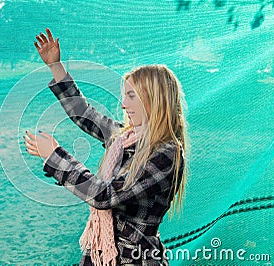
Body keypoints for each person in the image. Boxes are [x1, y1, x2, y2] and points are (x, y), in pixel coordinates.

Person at [24, 28, 188, 266]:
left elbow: (105, 196)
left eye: (132, 96)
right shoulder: (124, 137)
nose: (123, 104)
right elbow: (83, 113)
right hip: (100, 255)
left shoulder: (166, 155)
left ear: (154, 99)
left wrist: (55, 157)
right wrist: (55, 66)